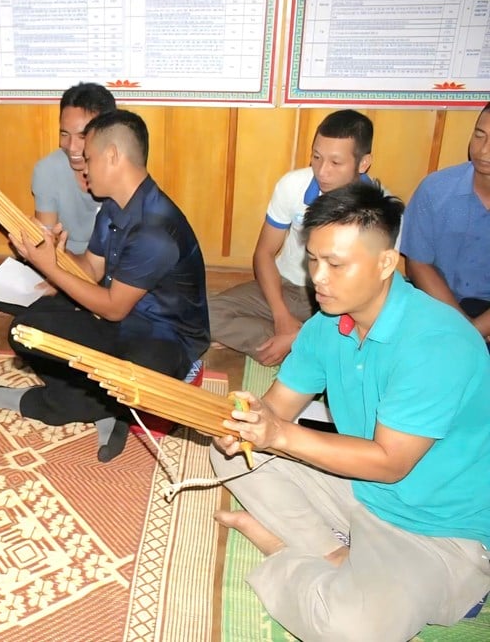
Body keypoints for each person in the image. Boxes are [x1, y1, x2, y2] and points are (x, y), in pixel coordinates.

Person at [211, 183, 490, 642]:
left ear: (385, 263)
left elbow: (389, 462)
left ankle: (284, 549)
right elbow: (278, 406)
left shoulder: (438, 342)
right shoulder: (325, 327)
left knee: (353, 631)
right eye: (313, 260)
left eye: (336, 264)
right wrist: (249, 419)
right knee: (229, 451)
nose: (318, 277)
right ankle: (333, 557)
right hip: (360, 490)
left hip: (440, 529)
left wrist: (277, 434)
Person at [0, 110, 210, 462]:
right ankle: (105, 409)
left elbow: (113, 305)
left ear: (112, 156)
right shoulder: (113, 208)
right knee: (26, 327)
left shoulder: (156, 228)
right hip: (119, 325)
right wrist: (54, 256)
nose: (83, 168)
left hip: (165, 340)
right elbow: (89, 268)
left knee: (136, 372)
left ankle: (48, 405)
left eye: (88, 158)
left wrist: (49, 268)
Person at [209, 110, 375, 365]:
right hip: (283, 287)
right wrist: (281, 316)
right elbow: (264, 253)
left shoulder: (379, 210)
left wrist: (293, 338)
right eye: (316, 157)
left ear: (363, 163)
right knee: (201, 312)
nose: (322, 171)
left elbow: (367, 295)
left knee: (365, 341)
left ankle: (294, 343)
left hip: (338, 301)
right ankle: (302, 346)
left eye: (336, 163)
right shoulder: (293, 185)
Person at [0, 82, 117, 313]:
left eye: (82, 136)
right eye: (64, 134)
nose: (72, 147)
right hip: (61, 262)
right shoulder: (47, 169)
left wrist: (59, 281)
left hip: (106, 270)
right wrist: (50, 270)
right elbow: (46, 238)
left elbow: (107, 261)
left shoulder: (116, 171)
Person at [401, 103, 490, 348]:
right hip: (438, 303)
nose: (484, 150)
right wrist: (465, 328)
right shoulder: (436, 189)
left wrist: (478, 328)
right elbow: (418, 263)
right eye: (479, 135)